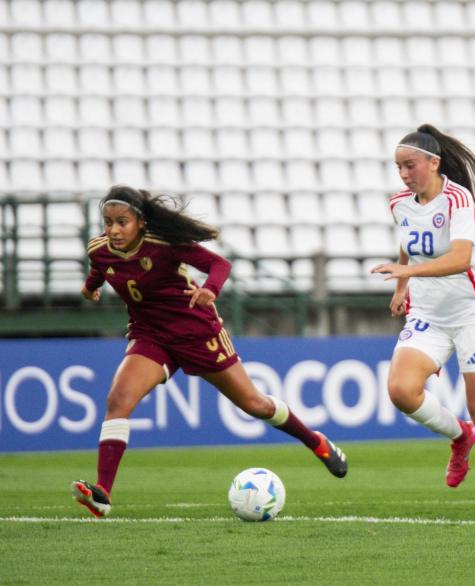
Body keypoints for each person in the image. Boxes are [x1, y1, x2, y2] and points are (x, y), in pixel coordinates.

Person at [72, 185, 347, 518]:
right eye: (108, 222)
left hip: (197, 332)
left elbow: (219, 265)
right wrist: (90, 289)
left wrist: (209, 290)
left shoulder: (165, 246)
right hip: (151, 337)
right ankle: (103, 494)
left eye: (122, 222)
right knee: (118, 401)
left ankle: (316, 442)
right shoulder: (99, 249)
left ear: (141, 223)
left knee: (255, 404)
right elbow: (100, 272)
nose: (114, 230)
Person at [370, 124, 475, 513]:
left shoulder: (459, 201)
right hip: (428, 314)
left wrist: (406, 274)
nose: (405, 174)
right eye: (399, 167)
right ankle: (461, 436)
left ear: (434, 162)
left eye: (410, 166)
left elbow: (459, 259)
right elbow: (409, 241)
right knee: (400, 391)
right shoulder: (399, 204)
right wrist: (400, 289)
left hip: (472, 313)